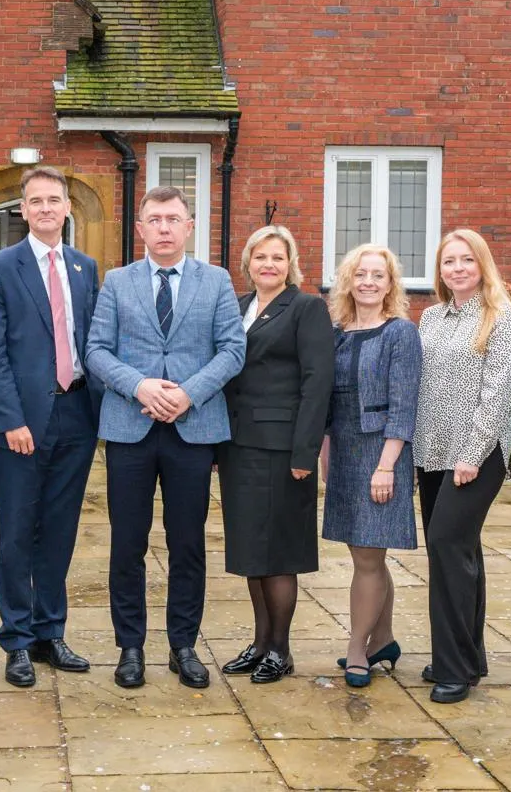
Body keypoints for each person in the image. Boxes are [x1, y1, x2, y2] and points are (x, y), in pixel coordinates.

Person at [85, 185, 246, 690]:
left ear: (190, 225)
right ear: (140, 228)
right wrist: (140, 386)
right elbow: (95, 350)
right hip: (130, 429)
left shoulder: (216, 281)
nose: (164, 228)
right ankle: (130, 647)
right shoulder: (117, 281)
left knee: (187, 544)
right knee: (126, 544)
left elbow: (232, 349)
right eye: (154, 219)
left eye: (173, 219)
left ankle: (183, 645)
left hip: (192, 429)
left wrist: (188, 394)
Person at [0, 167, 101, 688]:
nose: (46, 208)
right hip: (21, 424)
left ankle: (51, 632)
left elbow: (93, 342)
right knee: (17, 533)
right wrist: (10, 420)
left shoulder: (84, 267)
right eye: (36, 201)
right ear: (21, 210)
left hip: (76, 415)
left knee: (60, 531)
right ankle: (17, 639)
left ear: (67, 208)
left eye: (54, 200)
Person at [413, 230, 511, 704]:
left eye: (465, 260)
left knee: (446, 543)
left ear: (482, 264)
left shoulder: (503, 319)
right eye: (448, 262)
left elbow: (497, 394)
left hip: (475, 455)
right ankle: (468, 656)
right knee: (459, 553)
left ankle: (454, 668)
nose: (456, 269)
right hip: (430, 450)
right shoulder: (431, 317)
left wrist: (472, 453)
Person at [218, 226, 333, 683]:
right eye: (260, 257)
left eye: (277, 258)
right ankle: (260, 642)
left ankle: (280, 650)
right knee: (251, 549)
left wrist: (305, 452)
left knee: (279, 550)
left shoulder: (306, 308)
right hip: (239, 445)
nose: (269, 265)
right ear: (248, 262)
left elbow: (317, 382)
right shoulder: (240, 307)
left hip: (284, 449)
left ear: (291, 264)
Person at [322, 244, 422, 689]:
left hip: (382, 453)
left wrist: (385, 467)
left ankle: (357, 647)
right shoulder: (337, 332)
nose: (367, 282)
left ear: (390, 284)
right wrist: (325, 453)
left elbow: (404, 405)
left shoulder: (400, 333)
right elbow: (327, 401)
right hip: (343, 450)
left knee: (368, 555)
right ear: (348, 280)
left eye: (377, 275)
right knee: (367, 553)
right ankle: (383, 639)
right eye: (360, 274)